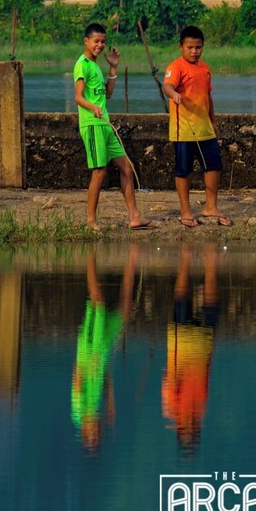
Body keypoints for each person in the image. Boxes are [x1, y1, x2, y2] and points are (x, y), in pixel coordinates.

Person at [74, 23, 154, 232]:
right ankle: (90, 221)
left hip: (105, 124)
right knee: (99, 172)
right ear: (86, 41)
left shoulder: (96, 66)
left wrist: (113, 68)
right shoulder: (81, 64)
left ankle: (134, 217)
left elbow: (107, 94)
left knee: (127, 167)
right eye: (96, 41)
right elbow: (78, 97)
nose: (100, 45)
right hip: (92, 124)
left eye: (103, 42)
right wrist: (92, 107)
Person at [163, 26, 232, 227]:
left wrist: (213, 120)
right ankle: (185, 211)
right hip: (183, 129)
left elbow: (208, 96)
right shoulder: (175, 67)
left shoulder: (204, 68)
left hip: (204, 128)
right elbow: (167, 85)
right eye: (190, 47)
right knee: (184, 170)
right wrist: (174, 94)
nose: (194, 51)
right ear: (181, 47)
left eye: (198, 47)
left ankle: (211, 206)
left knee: (213, 166)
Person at [72, 246, 137, 453]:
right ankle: (131, 261)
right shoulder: (96, 408)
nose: (95, 428)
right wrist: (111, 401)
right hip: (102, 352)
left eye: (92, 432)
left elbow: (77, 379)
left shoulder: (79, 411)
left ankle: (90, 257)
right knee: (124, 313)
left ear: (85, 429)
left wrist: (85, 364)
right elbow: (103, 377)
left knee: (97, 300)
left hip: (90, 348)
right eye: (96, 433)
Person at [162, 243, 219, 453]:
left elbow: (169, 380)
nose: (191, 424)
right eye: (192, 429)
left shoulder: (171, 407)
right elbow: (206, 377)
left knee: (182, 298)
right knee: (210, 301)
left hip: (182, 345)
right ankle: (209, 260)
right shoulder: (200, 409)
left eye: (188, 429)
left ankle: (186, 258)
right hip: (198, 348)